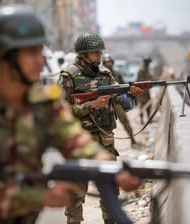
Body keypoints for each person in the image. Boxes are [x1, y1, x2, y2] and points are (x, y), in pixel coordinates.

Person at [0, 5, 141, 224]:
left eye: (40, 52)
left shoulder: (42, 102)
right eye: (31, 53)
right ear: (5, 58)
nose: (41, 61)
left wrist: (109, 168)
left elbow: (74, 139)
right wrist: (42, 196)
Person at [58, 32, 143, 224]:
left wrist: (132, 94)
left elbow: (124, 104)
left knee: (111, 189)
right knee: (75, 193)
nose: (99, 56)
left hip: (105, 141)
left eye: (100, 52)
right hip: (78, 143)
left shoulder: (105, 74)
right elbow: (59, 114)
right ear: (84, 54)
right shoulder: (69, 77)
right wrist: (90, 105)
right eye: (95, 53)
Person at [102, 53, 137, 147]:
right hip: (105, 102)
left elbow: (123, 86)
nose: (108, 64)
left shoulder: (117, 73)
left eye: (110, 62)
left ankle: (132, 139)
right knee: (105, 124)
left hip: (116, 101)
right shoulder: (101, 75)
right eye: (106, 62)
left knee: (125, 121)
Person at [137, 56, 153, 125]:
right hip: (142, 91)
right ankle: (142, 120)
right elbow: (141, 81)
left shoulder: (146, 69)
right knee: (142, 106)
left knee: (148, 106)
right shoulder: (142, 70)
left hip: (146, 91)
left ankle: (148, 119)